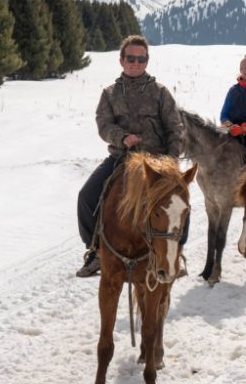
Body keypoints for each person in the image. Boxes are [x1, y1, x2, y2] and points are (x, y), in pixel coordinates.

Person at [75, 35, 185, 277]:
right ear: (121, 60)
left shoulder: (160, 92)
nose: (136, 63)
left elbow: (175, 127)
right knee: (87, 196)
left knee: (178, 200)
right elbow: (103, 125)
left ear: (147, 61)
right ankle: (95, 251)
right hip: (121, 158)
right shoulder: (110, 93)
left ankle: (177, 251)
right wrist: (122, 137)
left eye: (141, 58)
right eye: (131, 58)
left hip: (156, 161)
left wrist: (171, 159)